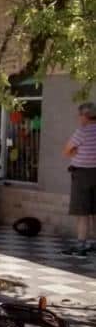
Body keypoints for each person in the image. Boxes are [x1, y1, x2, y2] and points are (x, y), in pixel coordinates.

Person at [62, 103, 96, 256]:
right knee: (94, 211)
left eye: (80, 115)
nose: (78, 118)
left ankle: (81, 246)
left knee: (82, 212)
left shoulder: (82, 131)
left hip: (82, 175)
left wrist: (76, 151)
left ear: (86, 116)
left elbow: (67, 150)